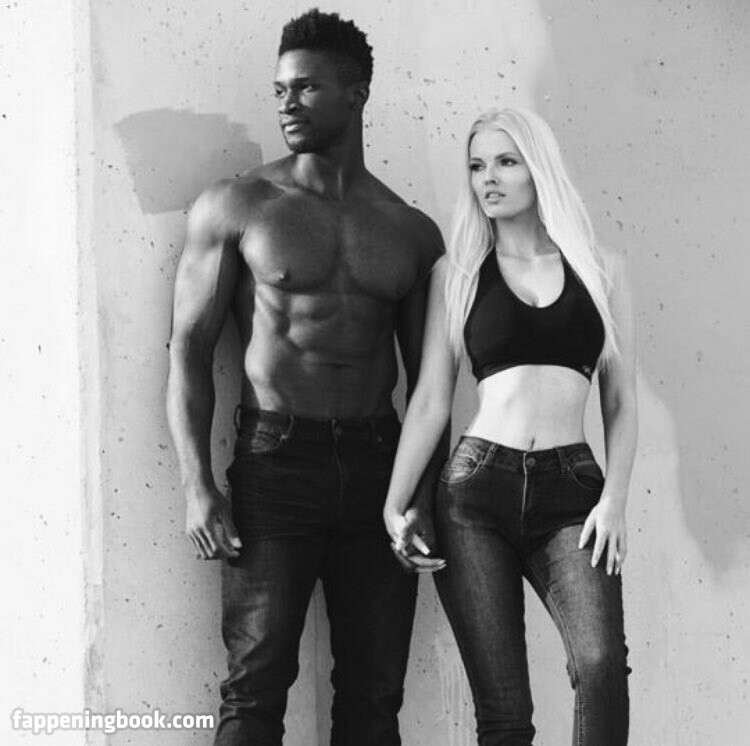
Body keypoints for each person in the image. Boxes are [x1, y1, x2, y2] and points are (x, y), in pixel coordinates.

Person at [166, 9, 445, 746]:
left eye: (307, 88)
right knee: (254, 689)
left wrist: (420, 497)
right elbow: (188, 351)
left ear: (357, 94)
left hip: (381, 469)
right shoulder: (238, 205)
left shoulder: (411, 231)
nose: (287, 103)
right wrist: (197, 485)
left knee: (374, 697)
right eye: (280, 89)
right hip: (275, 465)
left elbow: (431, 387)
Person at [383, 107, 637, 745]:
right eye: (476, 166)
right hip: (476, 492)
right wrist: (396, 501)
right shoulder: (459, 272)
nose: (487, 178)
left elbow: (620, 402)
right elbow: (430, 400)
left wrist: (614, 501)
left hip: (573, 493)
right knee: (503, 713)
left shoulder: (600, 269)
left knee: (601, 667)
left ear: (537, 168)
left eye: (505, 161)